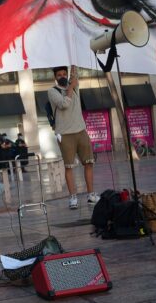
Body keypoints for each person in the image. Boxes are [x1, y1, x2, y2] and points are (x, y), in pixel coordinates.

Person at [48, 66, 98, 209]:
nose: (62, 76)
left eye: (65, 74)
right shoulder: (52, 91)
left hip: (81, 131)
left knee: (88, 163)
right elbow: (64, 104)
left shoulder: (74, 86)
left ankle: (91, 194)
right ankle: (73, 197)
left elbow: (74, 74)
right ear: (55, 77)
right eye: (59, 75)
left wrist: (73, 65)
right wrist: (71, 88)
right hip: (65, 133)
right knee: (69, 166)